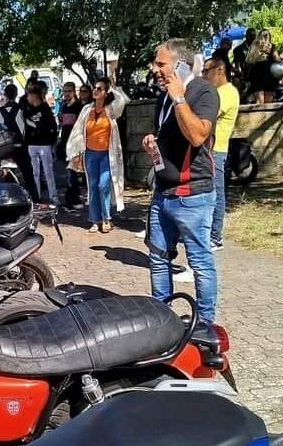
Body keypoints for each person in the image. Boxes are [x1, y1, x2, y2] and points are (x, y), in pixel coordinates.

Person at [142, 39, 220, 325]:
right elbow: (166, 135)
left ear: (180, 65)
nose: (155, 69)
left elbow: (198, 135)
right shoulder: (164, 96)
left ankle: (205, 325)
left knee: (200, 263)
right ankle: (163, 321)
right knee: (158, 258)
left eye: (161, 63)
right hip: (163, 192)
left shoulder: (203, 92)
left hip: (192, 195)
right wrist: (152, 143)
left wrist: (179, 98)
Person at [65, 76, 130, 233]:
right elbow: (78, 132)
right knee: (93, 186)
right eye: (94, 88)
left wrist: (113, 87)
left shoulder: (111, 110)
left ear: (105, 92)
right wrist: (77, 152)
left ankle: (107, 217)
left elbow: (123, 100)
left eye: (99, 89)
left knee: (103, 184)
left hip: (107, 155)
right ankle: (95, 220)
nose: (95, 90)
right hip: (91, 154)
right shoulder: (87, 110)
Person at [202, 57, 238, 251]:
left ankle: (215, 237)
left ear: (220, 70)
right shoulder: (215, 92)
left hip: (216, 150)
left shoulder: (228, 93)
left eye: (207, 71)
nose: (204, 75)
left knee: (216, 193)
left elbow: (208, 114)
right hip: (208, 149)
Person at [0, 83, 36, 193]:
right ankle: (34, 199)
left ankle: (10, 198)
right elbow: (32, 125)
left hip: (5, 150)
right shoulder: (22, 109)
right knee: (28, 175)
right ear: (16, 94)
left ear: (5, 95)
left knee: (7, 176)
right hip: (21, 147)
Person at [24, 83, 59, 206]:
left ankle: (53, 197)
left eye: (29, 95)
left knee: (48, 171)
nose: (27, 97)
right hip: (31, 145)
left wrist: (52, 142)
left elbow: (53, 126)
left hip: (44, 144)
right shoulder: (26, 110)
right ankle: (36, 197)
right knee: (35, 172)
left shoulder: (45, 108)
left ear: (34, 95)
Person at [56, 81, 86, 209]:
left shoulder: (78, 107)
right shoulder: (63, 106)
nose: (67, 94)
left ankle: (74, 200)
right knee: (70, 172)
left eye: (69, 91)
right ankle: (73, 198)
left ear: (74, 92)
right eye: (65, 91)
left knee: (72, 173)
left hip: (76, 143)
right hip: (65, 142)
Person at [245, 29, 279, 104]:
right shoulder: (271, 46)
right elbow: (277, 59)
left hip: (256, 75)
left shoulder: (254, 46)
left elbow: (248, 61)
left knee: (259, 102)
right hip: (269, 74)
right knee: (268, 101)